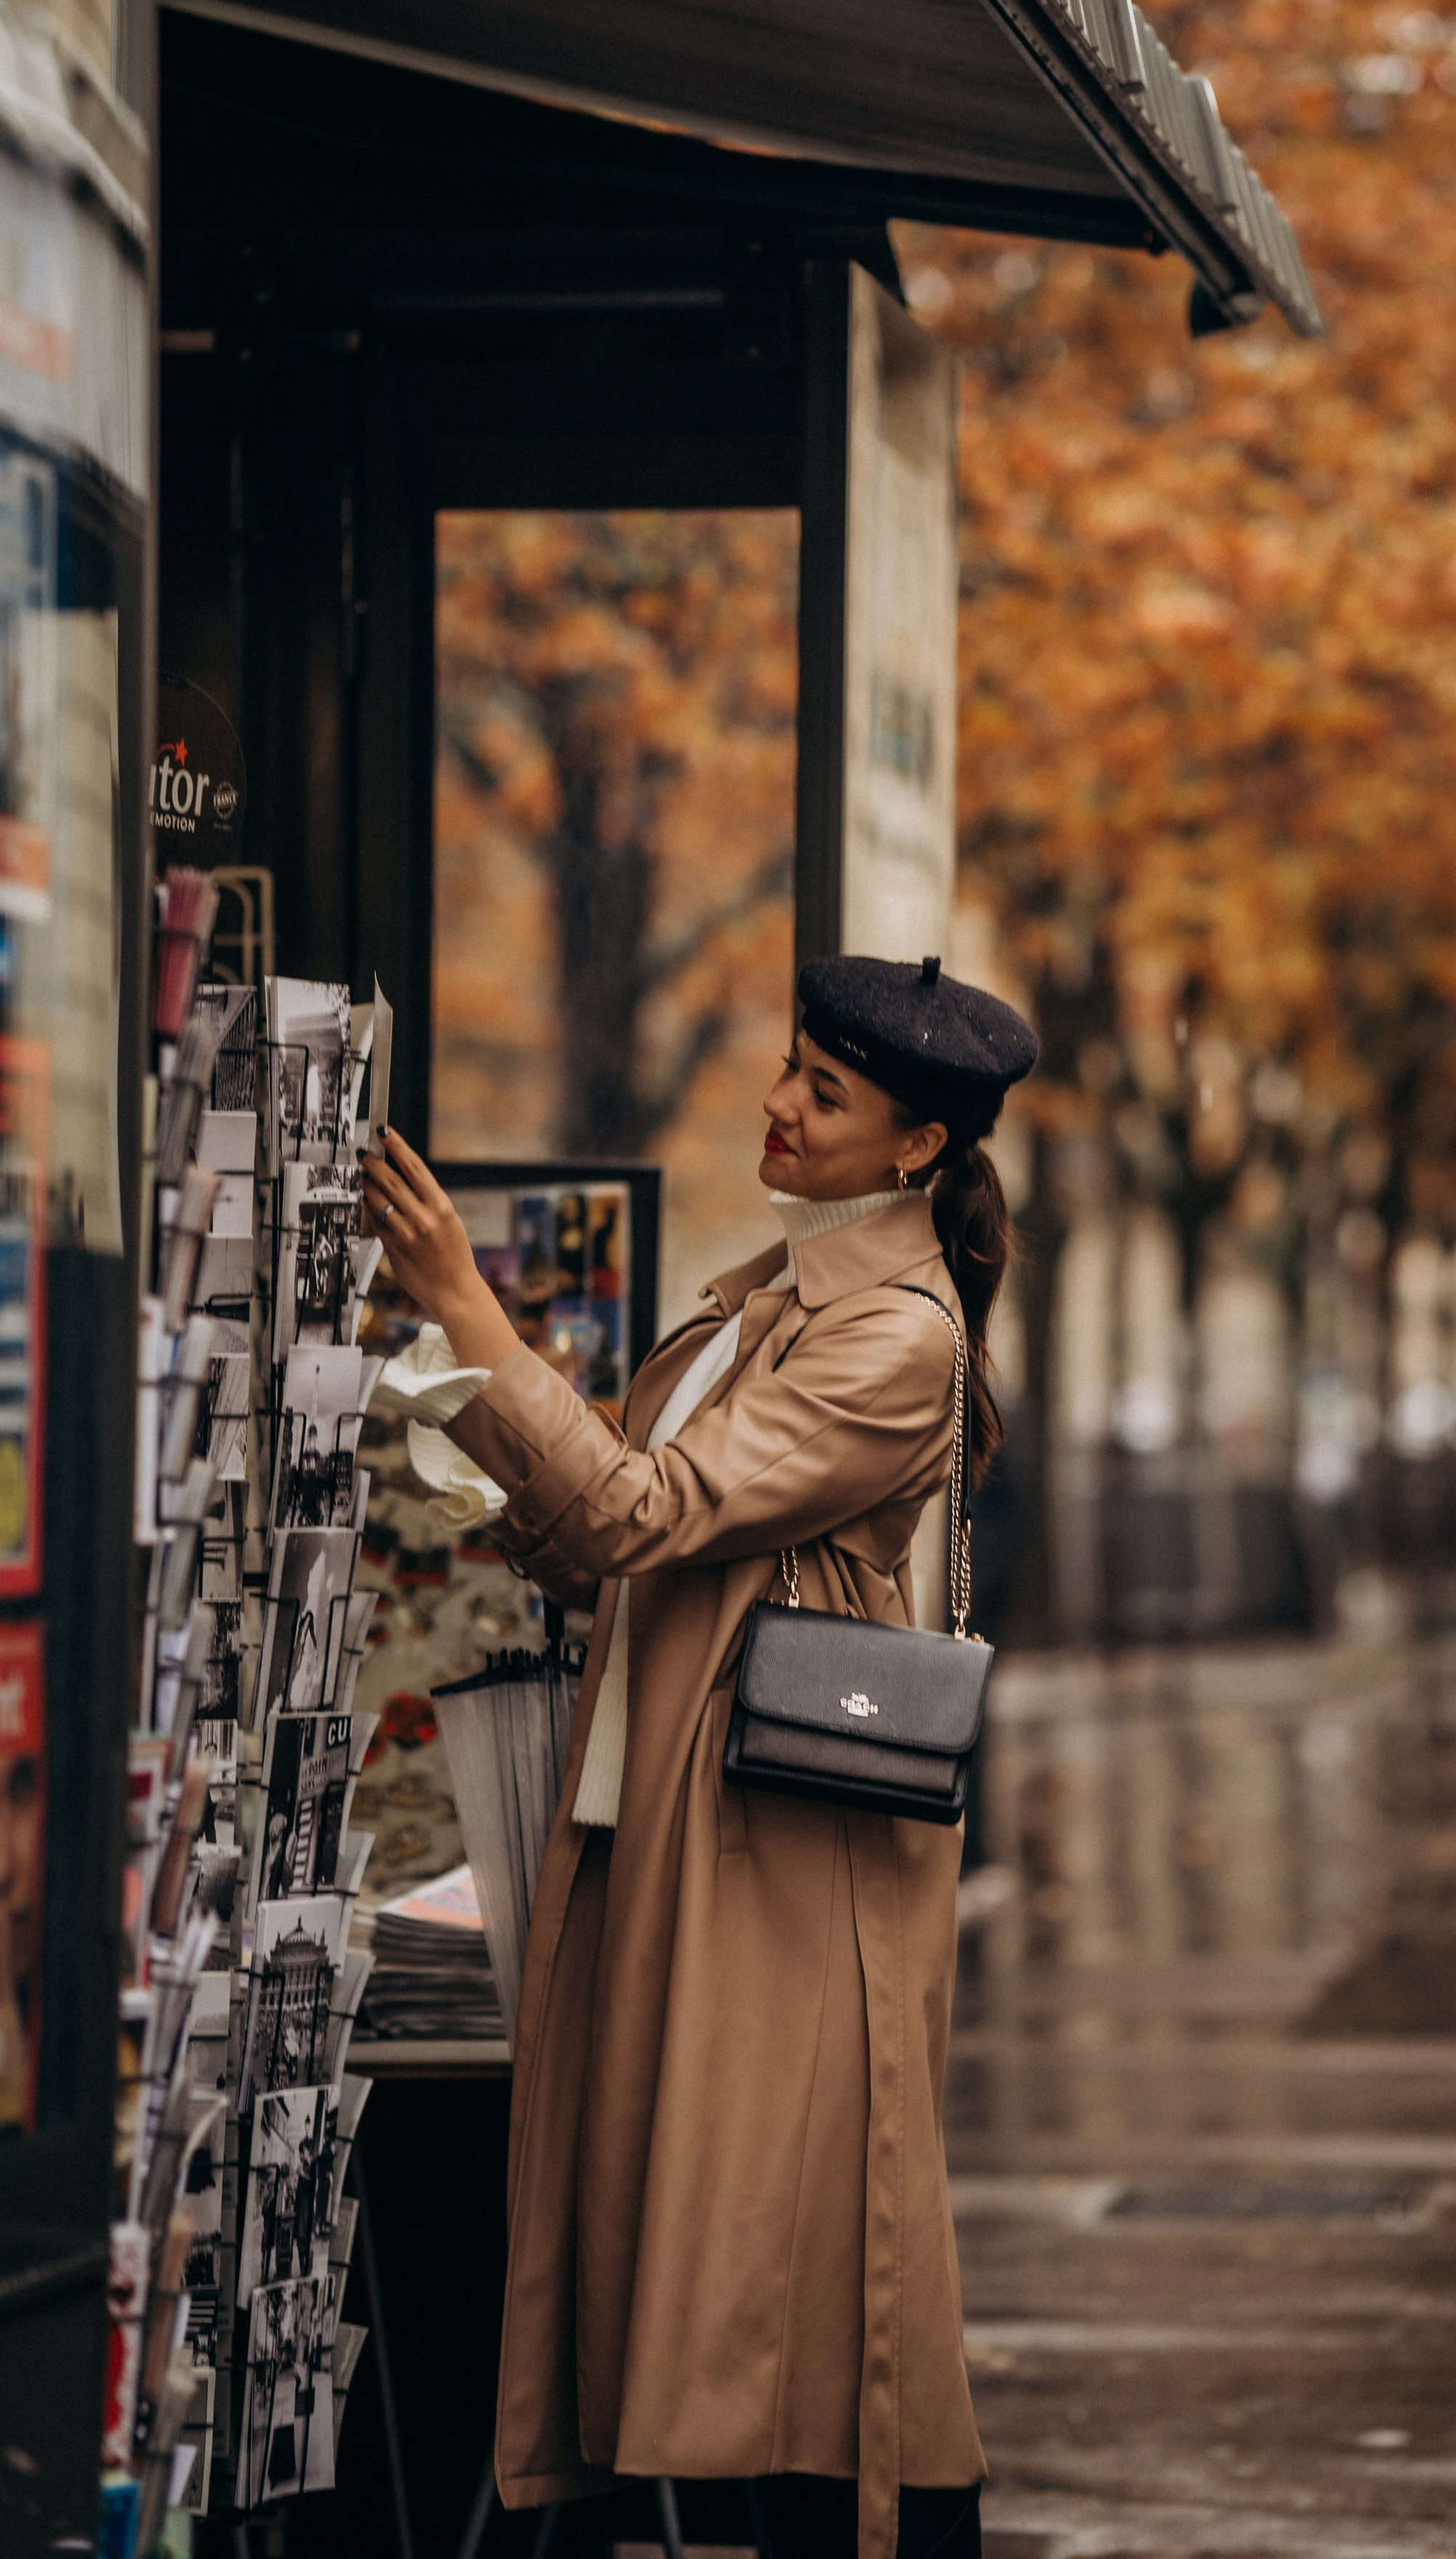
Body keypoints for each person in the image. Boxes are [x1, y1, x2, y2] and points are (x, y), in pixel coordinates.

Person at [360, 956, 1036, 2559]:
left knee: (798, 2257)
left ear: (914, 1150)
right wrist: (476, 1421)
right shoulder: (765, 1298)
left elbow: (641, 1511)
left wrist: (468, 1309)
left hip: (781, 1848)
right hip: (678, 1820)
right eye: (789, 1069)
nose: (778, 1106)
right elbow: (602, 1533)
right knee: (703, 2241)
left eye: (825, 1093)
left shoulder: (896, 1339)